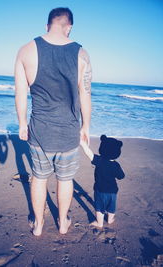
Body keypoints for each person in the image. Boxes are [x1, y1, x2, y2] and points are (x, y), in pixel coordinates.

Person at [14, 7, 92, 236]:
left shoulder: (26, 50)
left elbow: (20, 93)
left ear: (47, 24)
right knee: (65, 179)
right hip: (68, 132)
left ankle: (38, 225)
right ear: (69, 27)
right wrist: (86, 126)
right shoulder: (82, 54)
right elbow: (85, 93)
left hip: (40, 131)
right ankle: (63, 223)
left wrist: (21, 124)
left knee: (38, 178)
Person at [80, 135, 125, 228]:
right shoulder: (116, 165)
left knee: (99, 208)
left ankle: (99, 223)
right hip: (113, 191)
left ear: (102, 149)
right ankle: (110, 219)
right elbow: (121, 176)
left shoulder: (99, 160)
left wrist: (83, 144)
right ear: (117, 153)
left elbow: (89, 154)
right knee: (111, 206)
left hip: (100, 190)